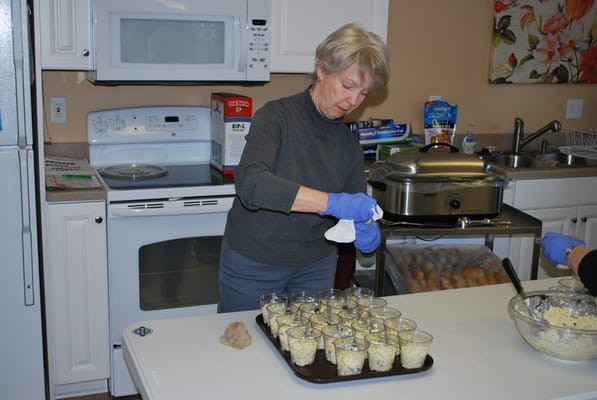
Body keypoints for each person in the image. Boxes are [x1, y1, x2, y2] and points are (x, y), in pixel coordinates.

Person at [217, 23, 390, 313]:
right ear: (321, 68)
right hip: (253, 263)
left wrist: (366, 229)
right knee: (245, 348)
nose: (353, 101)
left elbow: (353, 209)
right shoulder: (276, 117)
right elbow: (252, 184)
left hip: (315, 266)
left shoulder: (348, 145)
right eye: (348, 86)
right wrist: (331, 203)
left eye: (364, 93)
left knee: (305, 352)